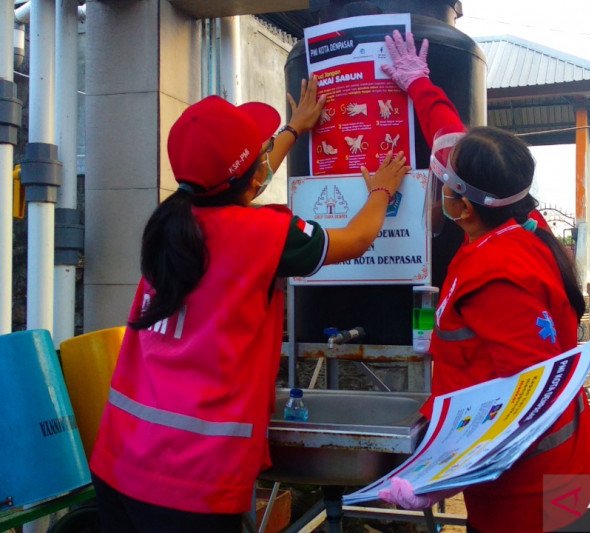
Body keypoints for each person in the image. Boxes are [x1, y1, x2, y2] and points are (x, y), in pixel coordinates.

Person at [89, 77, 410, 532]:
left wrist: (295, 131)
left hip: (119, 463)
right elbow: (357, 240)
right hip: (190, 485)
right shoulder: (266, 236)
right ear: (256, 177)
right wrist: (382, 190)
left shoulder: (172, 225)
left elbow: (241, 181)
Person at [377, 31, 590, 532]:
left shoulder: (498, 277)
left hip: (529, 499)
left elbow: (522, 403)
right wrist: (418, 83)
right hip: (564, 476)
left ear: (460, 205)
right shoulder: (522, 220)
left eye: (444, 183)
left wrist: (437, 479)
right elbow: (452, 139)